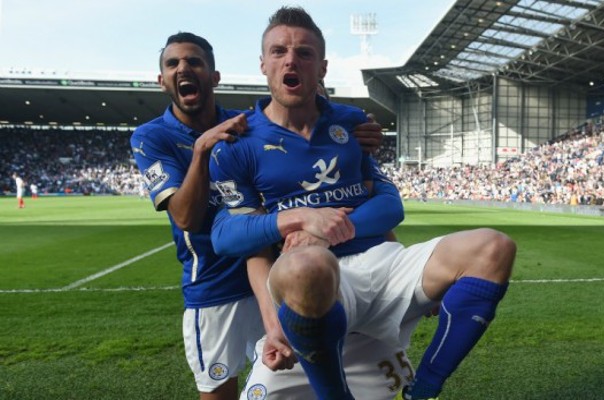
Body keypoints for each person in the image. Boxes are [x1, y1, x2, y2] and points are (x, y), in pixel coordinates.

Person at [210, 6, 516, 400]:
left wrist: (330, 230)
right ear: (263, 64)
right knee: (308, 265)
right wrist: (300, 218)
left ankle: (424, 389)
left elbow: (390, 205)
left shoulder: (352, 123)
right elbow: (227, 237)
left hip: (383, 262)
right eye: (279, 51)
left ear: (322, 67)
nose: (291, 60)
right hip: (311, 278)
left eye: (304, 52)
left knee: (493, 247)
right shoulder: (237, 143)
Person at [130, 32, 386, 400]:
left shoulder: (247, 124)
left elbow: (309, 125)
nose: (183, 68)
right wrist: (201, 151)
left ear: (214, 77)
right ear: (161, 80)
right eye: (173, 64)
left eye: (194, 62)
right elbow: (185, 218)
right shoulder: (152, 137)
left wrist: (355, 130)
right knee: (220, 394)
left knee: (305, 383)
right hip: (216, 285)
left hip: (275, 273)